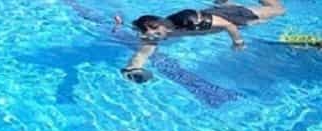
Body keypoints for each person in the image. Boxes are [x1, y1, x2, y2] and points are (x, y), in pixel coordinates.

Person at [121, 1, 285, 82]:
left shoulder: (188, 21)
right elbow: (142, 54)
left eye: (156, 34)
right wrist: (133, 68)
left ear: (161, 25)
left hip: (231, 17)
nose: (155, 38)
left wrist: (238, 42)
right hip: (215, 16)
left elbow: (228, 24)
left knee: (278, 11)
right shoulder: (156, 34)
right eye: (151, 36)